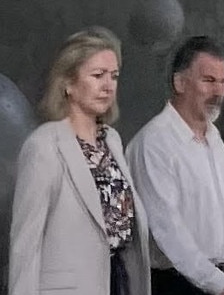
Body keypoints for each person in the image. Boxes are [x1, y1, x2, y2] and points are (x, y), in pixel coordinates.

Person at [9, 27, 151, 295]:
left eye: (114, 76)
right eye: (98, 76)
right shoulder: (44, 146)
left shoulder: (113, 140)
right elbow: (25, 248)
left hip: (119, 282)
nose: (108, 86)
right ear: (68, 84)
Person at [126, 36, 224, 295]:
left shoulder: (215, 142)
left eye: (222, 81)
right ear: (180, 83)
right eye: (208, 80)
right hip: (180, 284)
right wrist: (217, 281)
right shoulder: (154, 143)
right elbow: (166, 229)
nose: (218, 91)